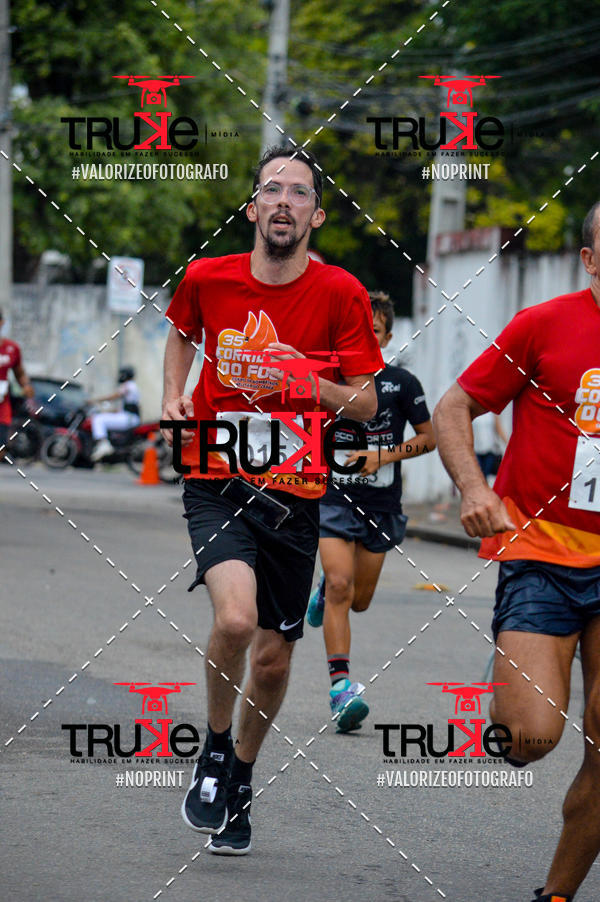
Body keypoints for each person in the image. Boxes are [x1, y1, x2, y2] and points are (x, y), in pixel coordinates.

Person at [160, 145, 384, 855]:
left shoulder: (342, 294)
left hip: (295, 497)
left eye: (299, 193)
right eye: (272, 190)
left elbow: (366, 403)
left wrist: (305, 381)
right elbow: (179, 334)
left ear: (316, 215)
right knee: (235, 619)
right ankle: (217, 750)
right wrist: (174, 393)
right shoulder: (207, 278)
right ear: (253, 208)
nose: (284, 202)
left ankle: (245, 776)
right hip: (217, 480)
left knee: (275, 660)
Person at [433, 201, 600, 902]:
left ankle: (555, 896)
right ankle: (510, 686)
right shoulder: (545, 326)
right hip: (540, 552)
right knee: (532, 736)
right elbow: (453, 407)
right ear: (591, 259)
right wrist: (474, 489)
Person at [306, 291, 435, 731]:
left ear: (387, 336)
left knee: (357, 601)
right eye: (358, 333)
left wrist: (384, 456)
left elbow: (429, 438)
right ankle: (341, 690)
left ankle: (325, 591)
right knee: (343, 586)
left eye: (374, 333)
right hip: (333, 499)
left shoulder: (403, 384)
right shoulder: (331, 381)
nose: (365, 340)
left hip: (381, 505)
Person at [0, 308, 35, 461]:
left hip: (2, 405)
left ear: (2, 323)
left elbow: (19, 373)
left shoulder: (12, 348)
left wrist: (26, 385)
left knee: (2, 445)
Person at [89, 366, 141, 461]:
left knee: (98, 419)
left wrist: (95, 400)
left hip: (129, 418)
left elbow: (114, 396)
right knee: (103, 417)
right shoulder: (133, 386)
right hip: (130, 417)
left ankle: (103, 444)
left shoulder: (128, 385)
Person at [472, 411, 508, 482]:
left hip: (490, 450)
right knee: (477, 477)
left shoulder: (492, 413)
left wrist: (508, 444)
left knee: (484, 476)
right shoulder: (473, 412)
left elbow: (499, 429)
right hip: (475, 451)